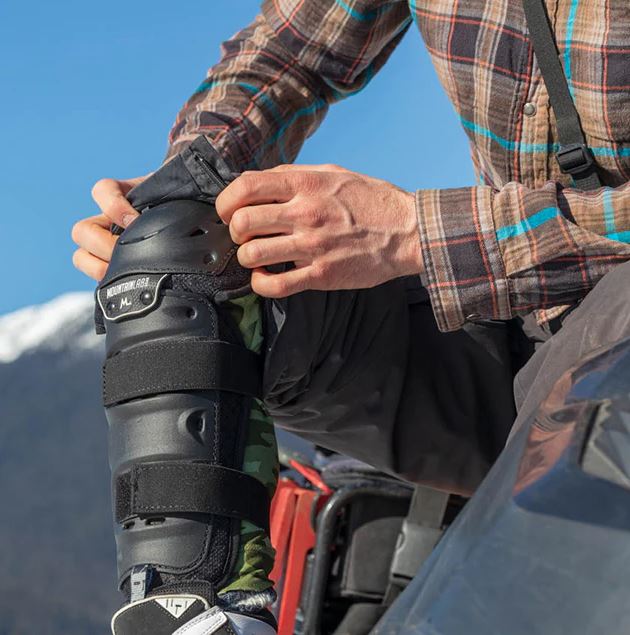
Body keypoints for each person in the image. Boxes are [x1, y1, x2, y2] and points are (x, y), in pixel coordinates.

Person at [71, 1, 630, 633]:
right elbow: (289, 51)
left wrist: (417, 231)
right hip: (510, 327)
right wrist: (181, 195)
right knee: (185, 255)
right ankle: (205, 605)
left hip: (611, 329)